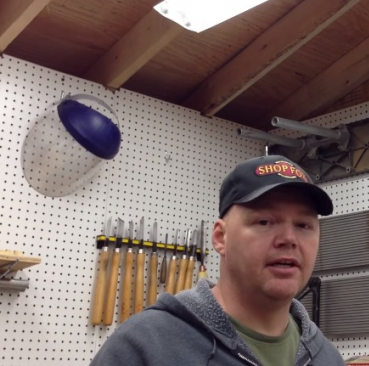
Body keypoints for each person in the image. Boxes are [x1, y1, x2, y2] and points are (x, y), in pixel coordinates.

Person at [90, 155, 345, 366]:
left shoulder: (328, 359)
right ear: (221, 237)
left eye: (303, 225)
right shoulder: (145, 347)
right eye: (265, 222)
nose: (289, 239)